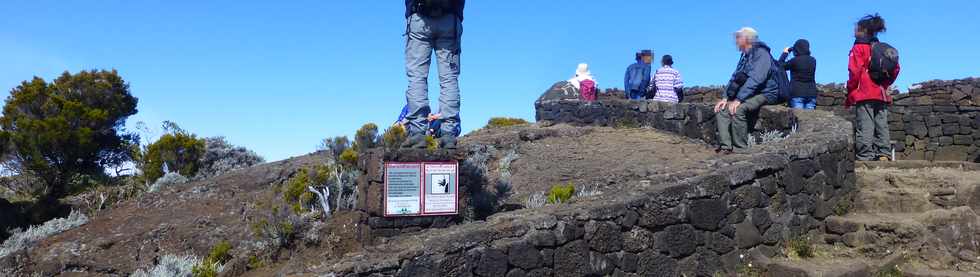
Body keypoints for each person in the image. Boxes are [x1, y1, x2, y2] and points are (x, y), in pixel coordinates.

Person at [402, 0, 465, 149]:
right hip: (450, 20)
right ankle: (449, 133)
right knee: (449, 78)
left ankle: (417, 133)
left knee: (417, 77)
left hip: (419, 18)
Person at [715, 27, 781, 154]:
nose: (735, 40)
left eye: (738, 37)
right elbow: (735, 78)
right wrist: (725, 98)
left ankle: (740, 149)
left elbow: (757, 79)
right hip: (752, 93)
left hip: (767, 93)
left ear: (747, 38)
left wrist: (739, 99)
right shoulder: (745, 56)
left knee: (738, 109)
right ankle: (726, 147)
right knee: (722, 109)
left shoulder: (761, 53)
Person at [847, 14, 900, 161]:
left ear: (862, 30)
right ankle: (884, 154)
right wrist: (886, 84)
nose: (853, 31)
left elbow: (855, 71)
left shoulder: (858, 48)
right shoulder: (882, 49)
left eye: (856, 28)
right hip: (881, 93)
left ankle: (865, 156)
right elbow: (896, 68)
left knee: (865, 124)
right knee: (881, 124)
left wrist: (851, 90)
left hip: (864, 92)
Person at [778, 39, 818, 109]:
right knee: (810, 118)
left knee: (798, 118)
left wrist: (785, 53)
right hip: (811, 93)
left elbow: (780, 65)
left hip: (797, 93)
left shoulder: (794, 61)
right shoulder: (813, 60)